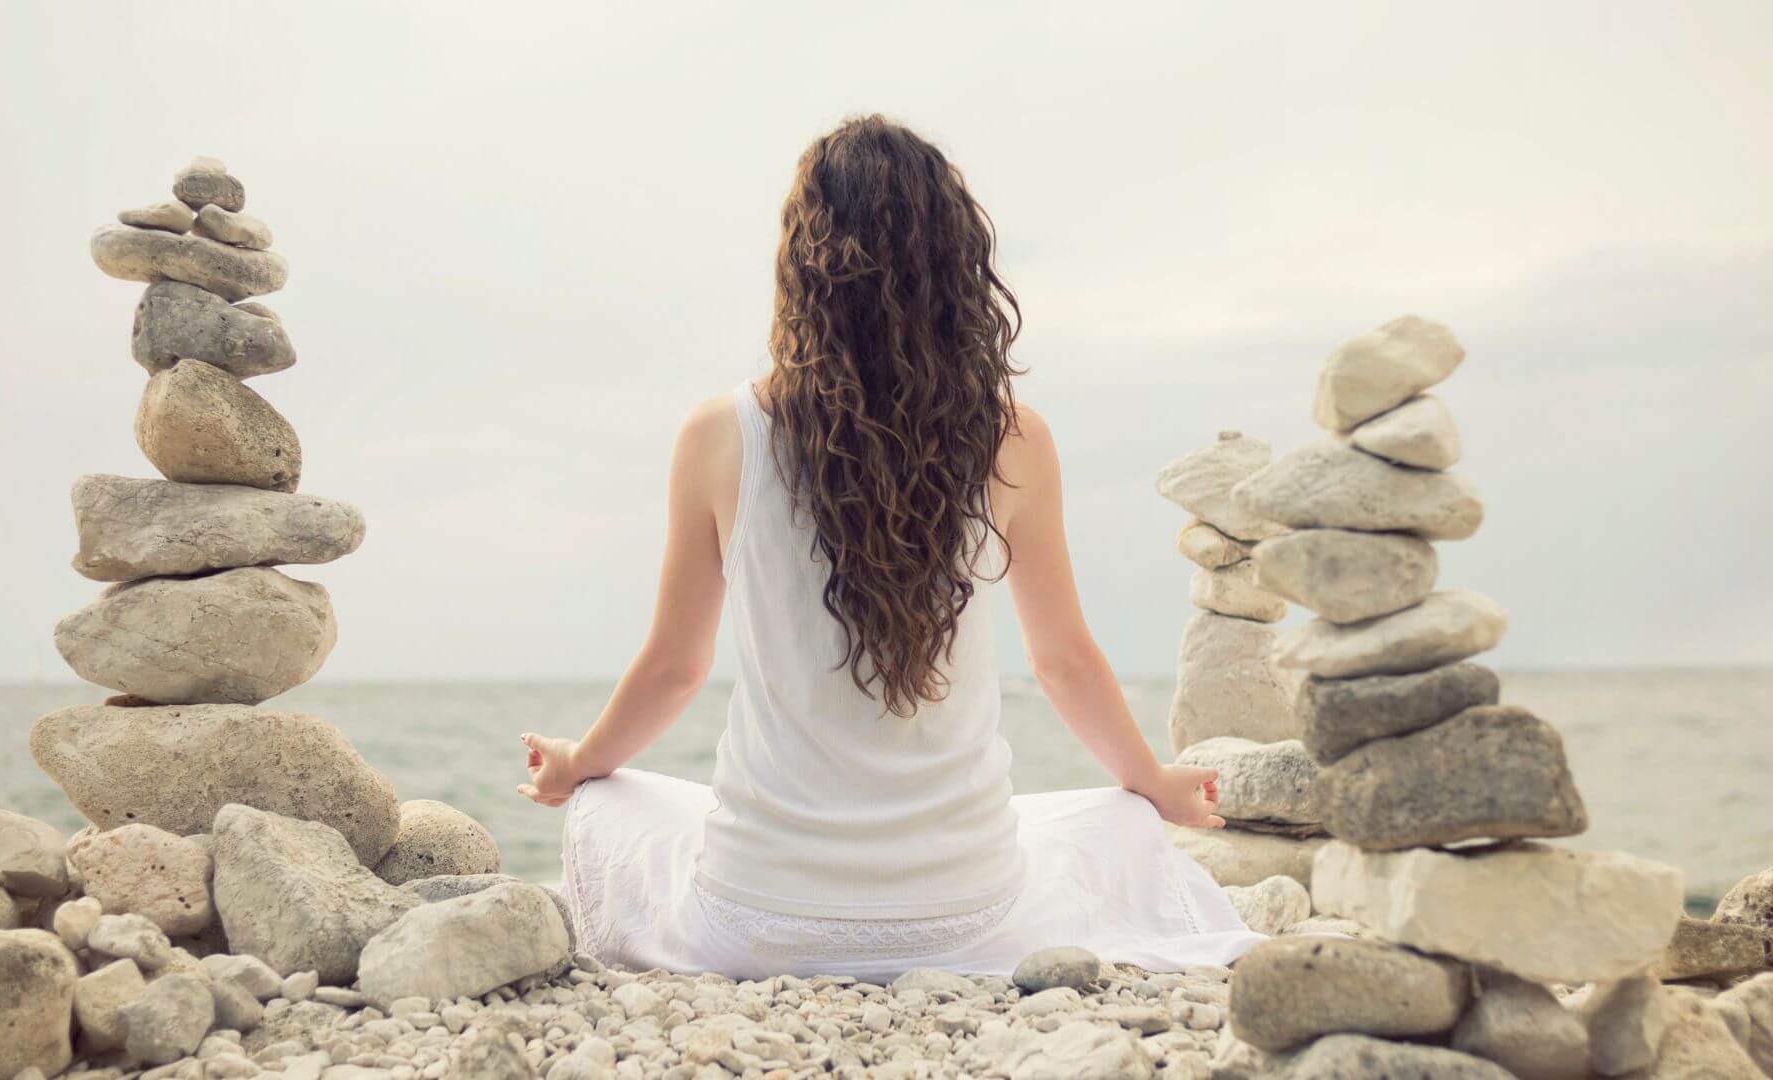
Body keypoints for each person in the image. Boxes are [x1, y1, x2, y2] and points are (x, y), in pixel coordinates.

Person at [518, 114, 1264, 982]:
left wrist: (578, 764)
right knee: (1119, 820)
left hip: (757, 919)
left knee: (611, 804)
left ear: (801, 265)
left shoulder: (720, 433)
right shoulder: (1015, 439)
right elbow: (1062, 660)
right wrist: (1154, 781)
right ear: (955, 269)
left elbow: (676, 669)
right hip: (965, 917)